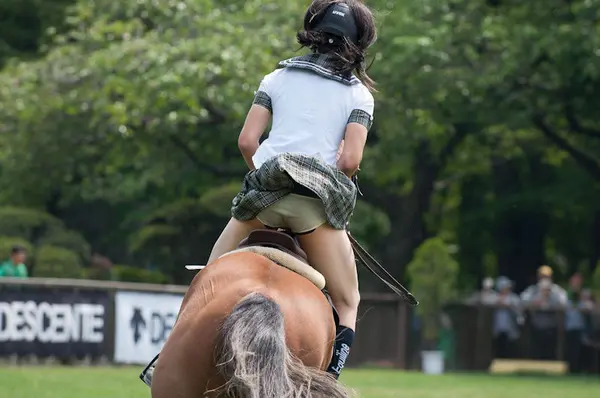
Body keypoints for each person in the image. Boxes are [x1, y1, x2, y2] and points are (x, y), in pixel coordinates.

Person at [206, 0, 377, 380]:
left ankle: (164, 359)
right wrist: (332, 194)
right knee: (348, 301)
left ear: (312, 32)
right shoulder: (358, 95)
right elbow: (349, 161)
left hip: (261, 204)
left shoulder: (276, 79)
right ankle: (329, 380)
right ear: (358, 42)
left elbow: (248, 141)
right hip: (313, 212)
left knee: (207, 278)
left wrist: (264, 173)